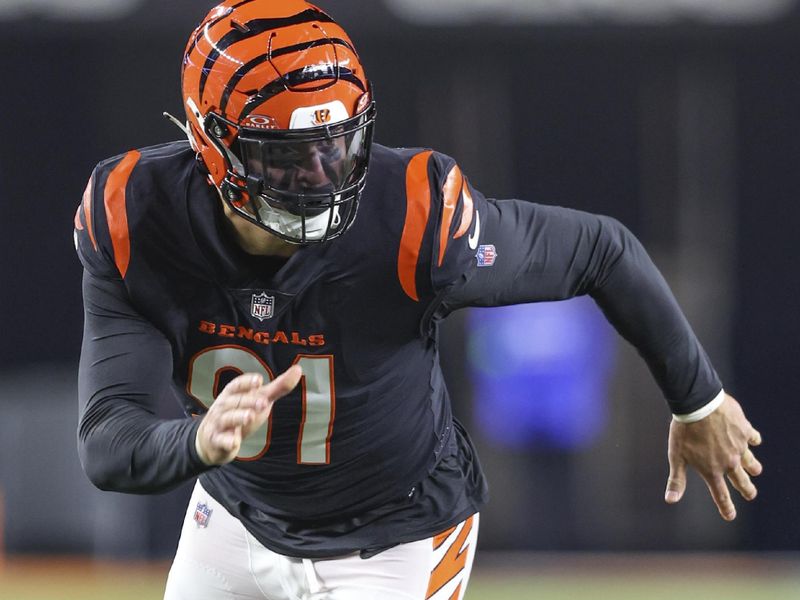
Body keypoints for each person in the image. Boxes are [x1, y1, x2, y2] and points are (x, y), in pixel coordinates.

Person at [74, 1, 763, 598]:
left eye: (336, 146)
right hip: (235, 519)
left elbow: (601, 250)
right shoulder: (136, 218)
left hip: (394, 537)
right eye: (285, 155)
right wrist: (196, 440)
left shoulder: (414, 216)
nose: (319, 177)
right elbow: (108, 442)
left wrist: (697, 399)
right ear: (210, 144)